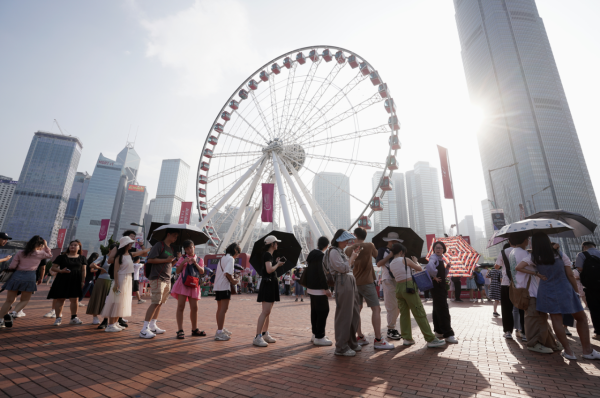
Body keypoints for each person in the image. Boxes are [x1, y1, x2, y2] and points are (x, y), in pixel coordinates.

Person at [526, 232, 599, 360]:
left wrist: (536, 273)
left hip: (547, 290)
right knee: (581, 318)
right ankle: (587, 351)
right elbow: (570, 274)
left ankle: (569, 352)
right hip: (565, 289)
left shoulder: (533, 257)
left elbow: (519, 267)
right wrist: (576, 291)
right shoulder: (559, 254)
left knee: (556, 320)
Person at [382, 243, 446, 347]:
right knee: (419, 312)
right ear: (402, 251)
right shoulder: (405, 259)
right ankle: (430, 339)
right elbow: (419, 269)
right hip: (409, 287)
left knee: (404, 314)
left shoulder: (392, 263)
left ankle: (407, 338)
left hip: (398, 288)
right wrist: (416, 261)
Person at [346, 227, 394, 349]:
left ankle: (360, 336)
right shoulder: (369, 245)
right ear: (365, 235)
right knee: (376, 309)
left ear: (355, 235)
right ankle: (378, 339)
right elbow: (378, 256)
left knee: (357, 309)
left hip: (355, 281)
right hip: (367, 282)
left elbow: (348, 258)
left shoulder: (349, 249)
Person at [512, 233, 560, 354]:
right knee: (535, 317)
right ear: (524, 240)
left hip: (522, 288)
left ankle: (549, 342)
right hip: (530, 290)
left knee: (539, 317)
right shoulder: (525, 254)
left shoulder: (513, 252)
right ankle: (535, 343)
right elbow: (526, 265)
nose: (528, 241)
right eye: (527, 239)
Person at [0, 236, 51, 328]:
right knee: (25, 300)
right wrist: (46, 246)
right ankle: (13, 313)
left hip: (16, 275)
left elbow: (12, 266)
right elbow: (50, 255)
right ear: (40, 245)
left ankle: (0, 321)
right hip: (30, 276)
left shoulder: (20, 252)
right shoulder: (41, 253)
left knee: (9, 301)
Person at [325, 229, 362, 356]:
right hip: (342, 282)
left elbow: (347, 267)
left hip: (349, 281)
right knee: (344, 314)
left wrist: (352, 258)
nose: (347, 242)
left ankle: (351, 342)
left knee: (354, 313)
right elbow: (343, 268)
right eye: (345, 240)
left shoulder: (339, 251)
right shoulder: (334, 251)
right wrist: (351, 258)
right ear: (339, 240)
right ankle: (341, 346)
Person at [140, 229, 178, 339]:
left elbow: (169, 263)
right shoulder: (159, 245)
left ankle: (153, 325)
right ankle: (144, 329)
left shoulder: (171, 248)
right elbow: (150, 260)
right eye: (174, 235)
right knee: (155, 302)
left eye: (177, 236)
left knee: (160, 302)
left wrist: (175, 260)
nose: (175, 238)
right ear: (168, 234)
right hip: (157, 277)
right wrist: (166, 260)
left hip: (167, 278)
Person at [171, 239, 206, 339]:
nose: (189, 250)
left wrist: (195, 263)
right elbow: (177, 271)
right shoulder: (182, 258)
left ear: (194, 247)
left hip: (194, 285)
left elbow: (202, 271)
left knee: (194, 308)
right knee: (181, 306)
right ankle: (180, 330)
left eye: (190, 247)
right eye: (187, 249)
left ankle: (194, 329)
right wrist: (183, 262)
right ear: (185, 250)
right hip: (183, 284)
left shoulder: (199, 259)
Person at [254, 235, 285, 347]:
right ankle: (258, 336)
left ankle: (265, 333)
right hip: (268, 284)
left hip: (270, 284)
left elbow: (269, 268)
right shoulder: (267, 255)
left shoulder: (269, 255)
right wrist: (277, 264)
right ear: (272, 244)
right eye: (276, 243)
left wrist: (275, 262)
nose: (277, 244)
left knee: (268, 311)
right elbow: (269, 269)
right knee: (265, 311)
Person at [99, 237, 136, 332]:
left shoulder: (128, 254)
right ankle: (111, 325)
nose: (131, 245)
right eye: (129, 243)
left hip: (127, 279)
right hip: (121, 279)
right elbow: (116, 270)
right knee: (116, 301)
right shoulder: (119, 256)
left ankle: (115, 323)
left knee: (121, 302)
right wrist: (116, 283)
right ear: (125, 245)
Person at [47, 240, 87, 326]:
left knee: (74, 299)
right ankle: (58, 318)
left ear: (79, 248)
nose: (72, 246)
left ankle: (73, 318)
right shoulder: (62, 257)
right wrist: (61, 271)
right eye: (71, 245)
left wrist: (82, 281)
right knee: (60, 299)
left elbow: (83, 270)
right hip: (62, 279)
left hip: (76, 280)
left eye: (75, 245)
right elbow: (53, 267)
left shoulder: (82, 258)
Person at [425, 241, 458, 344]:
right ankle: (448, 334)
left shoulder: (440, 259)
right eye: (436, 248)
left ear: (444, 250)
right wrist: (434, 276)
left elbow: (443, 275)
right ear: (434, 249)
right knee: (443, 308)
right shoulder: (433, 257)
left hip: (440, 286)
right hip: (437, 287)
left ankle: (439, 331)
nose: (438, 249)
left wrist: (447, 268)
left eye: (440, 248)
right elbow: (429, 267)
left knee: (437, 308)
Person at [375, 231, 404, 341]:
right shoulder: (382, 250)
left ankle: (392, 327)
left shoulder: (399, 252)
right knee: (391, 305)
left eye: (396, 241)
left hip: (398, 279)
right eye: (393, 241)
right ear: (388, 241)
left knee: (398, 306)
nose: (394, 243)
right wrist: (390, 255)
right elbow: (378, 264)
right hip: (388, 279)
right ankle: (391, 329)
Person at [305, 236, 333, 346]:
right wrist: (326, 288)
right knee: (323, 311)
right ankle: (319, 336)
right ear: (327, 246)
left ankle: (315, 333)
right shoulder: (321, 256)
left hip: (311, 287)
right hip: (319, 288)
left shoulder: (311, 255)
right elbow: (321, 273)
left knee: (315, 311)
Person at [86, 243, 117, 328]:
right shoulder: (103, 257)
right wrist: (100, 268)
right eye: (114, 250)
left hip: (112, 281)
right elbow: (91, 265)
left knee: (108, 301)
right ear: (109, 250)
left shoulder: (116, 259)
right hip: (102, 280)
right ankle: (95, 317)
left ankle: (106, 320)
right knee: (98, 298)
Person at [214, 242, 241, 341]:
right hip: (224, 286)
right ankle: (219, 332)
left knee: (220, 309)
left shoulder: (223, 258)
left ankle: (220, 329)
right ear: (235, 251)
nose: (237, 255)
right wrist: (234, 281)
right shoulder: (230, 259)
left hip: (218, 286)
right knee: (223, 310)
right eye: (238, 253)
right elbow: (227, 273)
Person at [575, 241, 600, 340]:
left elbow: (579, 268)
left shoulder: (582, 254)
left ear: (584, 247)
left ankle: (598, 333)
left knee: (594, 309)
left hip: (591, 286)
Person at [496, 242, 518, 339]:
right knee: (521, 307)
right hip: (520, 283)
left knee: (506, 308)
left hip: (506, 282)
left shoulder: (503, 252)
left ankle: (508, 331)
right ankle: (522, 331)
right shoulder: (524, 252)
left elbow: (496, 266)